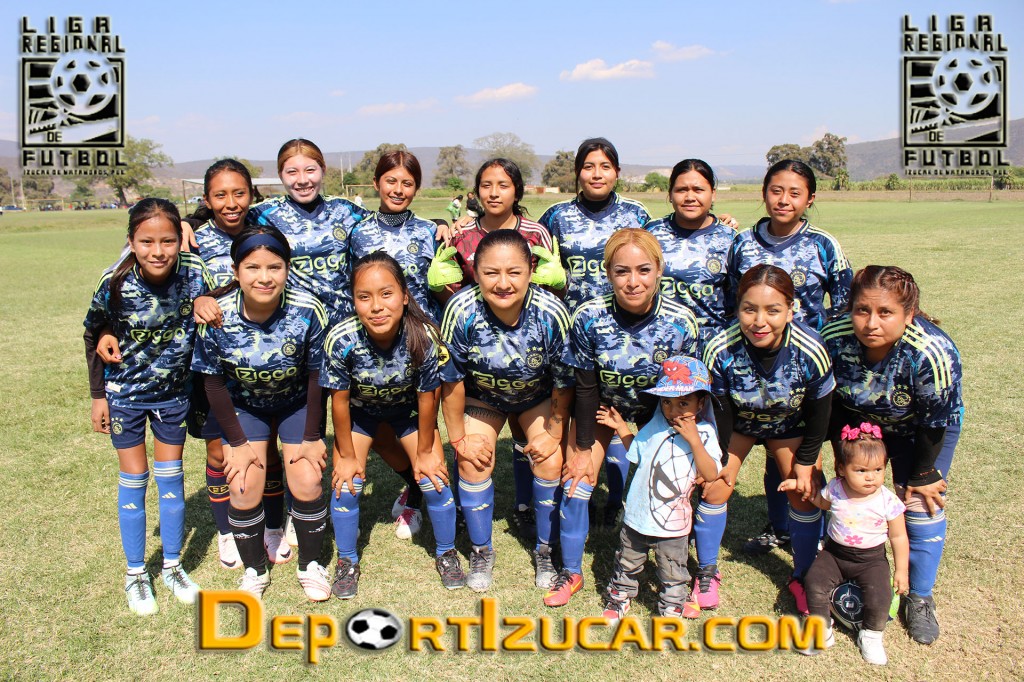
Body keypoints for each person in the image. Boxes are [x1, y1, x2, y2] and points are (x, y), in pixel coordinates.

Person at [822, 265, 962, 645]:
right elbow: (830, 403)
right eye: (862, 310)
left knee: (919, 504)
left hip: (922, 431)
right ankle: (846, 567)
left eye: (885, 312)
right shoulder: (833, 337)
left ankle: (919, 596)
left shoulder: (931, 352)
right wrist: (842, 456)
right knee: (851, 493)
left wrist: (922, 475)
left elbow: (935, 421)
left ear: (908, 314)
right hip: (861, 423)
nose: (871, 323)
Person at [83, 198, 211, 615]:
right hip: (125, 397)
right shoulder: (114, 281)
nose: (158, 251)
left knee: (171, 479)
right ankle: (136, 573)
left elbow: (215, 305)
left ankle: (172, 567)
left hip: (173, 397)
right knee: (134, 479)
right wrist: (98, 396)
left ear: (180, 240)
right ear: (131, 242)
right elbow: (93, 332)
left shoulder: (196, 273)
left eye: (168, 241)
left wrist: (206, 302)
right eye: (147, 242)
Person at [190, 225, 331, 601]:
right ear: (236, 272)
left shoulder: (307, 309)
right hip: (244, 407)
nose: (264, 277)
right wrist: (236, 444)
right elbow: (213, 384)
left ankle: (311, 565)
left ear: (287, 269)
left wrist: (312, 435)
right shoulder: (217, 315)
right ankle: (254, 570)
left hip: (295, 404)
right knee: (242, 483)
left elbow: (316, 376)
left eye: (274, 267)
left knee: (307, 479)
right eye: (252, 267)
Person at [429, 158, 561, 538]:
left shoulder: (536, 232)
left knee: (530, 438)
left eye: (503, 184)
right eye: (486, 185)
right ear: (475, 191)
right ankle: (472, 521)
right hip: (481, 356)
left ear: (517, 190)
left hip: (528, 351)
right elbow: (453, 290)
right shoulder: (462, 232)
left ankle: (526, 508)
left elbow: (548, 287)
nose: (494, 192)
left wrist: (559, 283)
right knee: (474, 448)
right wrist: (441, 286)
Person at [727, 159, 853, 557]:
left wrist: (820, 345)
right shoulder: (742, 243)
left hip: (805, 370)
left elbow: (845, 303)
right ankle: (779, 527)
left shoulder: (823, 244)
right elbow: (732, 299)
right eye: (776, 191)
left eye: (795, 193)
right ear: (764, 193)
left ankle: (822, 534)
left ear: (810, 199)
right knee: (771, 446)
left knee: (803, 455)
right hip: (754, 366)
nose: (784, 200)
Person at [439, 230, 574, 598]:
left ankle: (545, 550)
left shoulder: (551, 312)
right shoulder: (461, 309)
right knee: (473, 460)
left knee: (549, 459)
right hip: (484, 398)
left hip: (535, 397)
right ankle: (481, 550)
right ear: (475, 272)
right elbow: (451, 381)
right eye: (491, 273)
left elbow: (564, 382)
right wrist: (459, 439)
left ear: (530, 271)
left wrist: (555, 433)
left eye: (514, 272)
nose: (503, 283)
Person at [323, 252, 464, 597]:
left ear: (403, 295)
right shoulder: (341, 339)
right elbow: (338, 402)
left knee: (435, 479)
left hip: (407, 413)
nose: (376, 306)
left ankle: (447, 553)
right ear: (353, 300)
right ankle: (347, 560)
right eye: (364, 297)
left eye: (386, 294)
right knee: (346, 484)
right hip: (361, 415)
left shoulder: (424, 335)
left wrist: (427, 451)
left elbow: (428, 397)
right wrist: (345, 455)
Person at [563, 228, 701, 578]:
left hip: (660, 412)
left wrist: (681, 445)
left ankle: (680, 562)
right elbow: (585, 388)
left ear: (659, 269)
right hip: (603, 408)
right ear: (608, 273)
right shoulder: (589, 316)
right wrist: (582, 449)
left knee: (673, 482)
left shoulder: (680, 322)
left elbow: (685, 395)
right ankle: (570, 572)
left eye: (643, 270)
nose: (633, 281)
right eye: (622, 271)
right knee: (576, 480)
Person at [698, 264, 835, 616]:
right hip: (740, 424)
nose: (760, 321)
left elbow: (820, 413)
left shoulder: (810, 348)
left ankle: (804, 576)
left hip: (790, 424)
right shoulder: (720, 348)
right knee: (715, 486)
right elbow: (720, 414)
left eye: (773, 310)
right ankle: (706, 571)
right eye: (749, 309)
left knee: (804, 491)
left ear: (791, 310)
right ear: (737, 308)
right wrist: (718, 460)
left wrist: (807, 461)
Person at [538, 138, 649, 525]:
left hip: (620, 336)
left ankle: (614, 502)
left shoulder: (636, 213)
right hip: (570, 335)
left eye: (605, 166)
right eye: (588, 166)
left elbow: (654, 258)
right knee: (569, 414)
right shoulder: (556, 216)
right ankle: (560, 499)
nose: (597, 173)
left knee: (610, 416)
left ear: (616, 171)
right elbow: (527, 251)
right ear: (577, 173)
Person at [598, 356, 723, 621]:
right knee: (627, 561)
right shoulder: (654, 426)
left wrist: (694, 441)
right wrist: (621, 427)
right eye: (666, 402)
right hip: (638, 516)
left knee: (673, 568)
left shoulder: (705, 433)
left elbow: (711, 473)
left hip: (674, 523)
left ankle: (672, 604)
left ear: (701, 403)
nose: (673, 410)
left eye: (683, 403)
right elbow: (638, 453)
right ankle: (620, 597)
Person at [781, 421, 909, 665]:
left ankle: (871, 635)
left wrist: (901, 571)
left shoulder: (888, 501)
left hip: (871, 560)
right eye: (861, 470)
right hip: (834, 554)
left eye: (878, 469)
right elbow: (821, 502)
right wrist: (799, 486)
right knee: (814, 581)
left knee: (880, 594)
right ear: (841, 469)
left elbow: (899, 537)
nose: (871, 477)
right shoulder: (836, 488)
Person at [246, 138, 370, 323]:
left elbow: (385, 227)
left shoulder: (347, 211)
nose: (303, 180)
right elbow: (222, 223)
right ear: (280, 175)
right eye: (292, 172)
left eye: (310, 170)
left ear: (323, 170)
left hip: (345, 323)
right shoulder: (261, 215)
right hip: (293, 326)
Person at [644, 159, 736, 346]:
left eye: (698, 190)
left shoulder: (730, 239)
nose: (690, 197)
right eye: (681, 190)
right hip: (659, 342)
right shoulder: (651, 233)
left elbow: (739, 299)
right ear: (670, 194)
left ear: (713, 194)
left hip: (712, 345)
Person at [349, 151, 443, 324]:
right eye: (391, 181)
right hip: (376, 328)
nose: (398, 190)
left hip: (423, 330)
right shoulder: (357, 232)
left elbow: (441, 288)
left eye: (407, 184)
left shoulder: (430, 231)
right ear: (376, 183)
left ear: (416, 188)